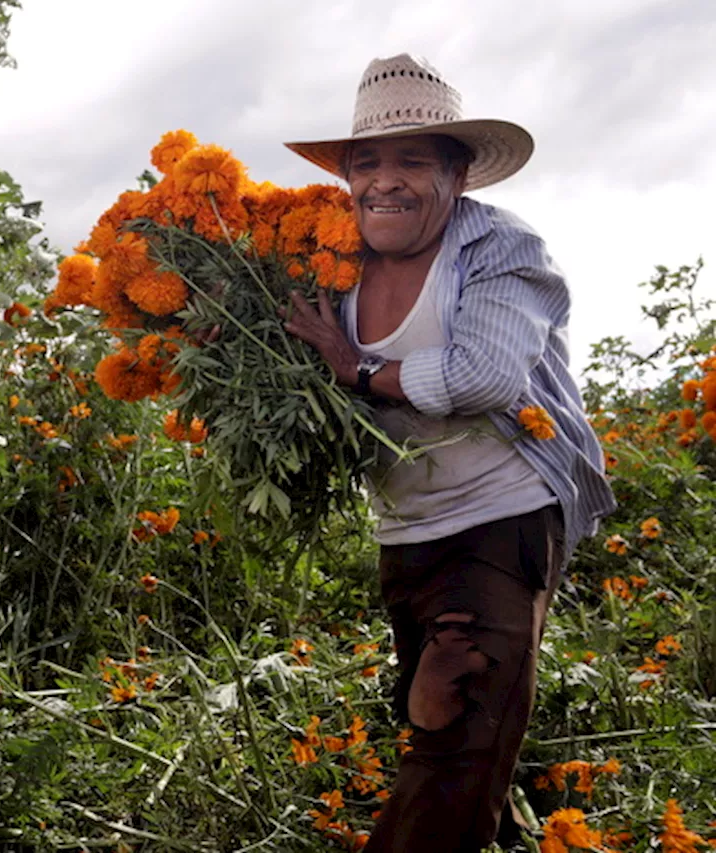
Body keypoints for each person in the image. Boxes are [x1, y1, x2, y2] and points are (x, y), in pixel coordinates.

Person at [281, 54, 617, 852]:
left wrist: (358, 366)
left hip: (503, 519)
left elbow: (486, 375)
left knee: (454, 730)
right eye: (368, 162)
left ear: (459, 173)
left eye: (413, 160)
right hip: (405, 532)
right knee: (452, 740)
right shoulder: (332, 258)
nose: (385, 183)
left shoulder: (505, 250)